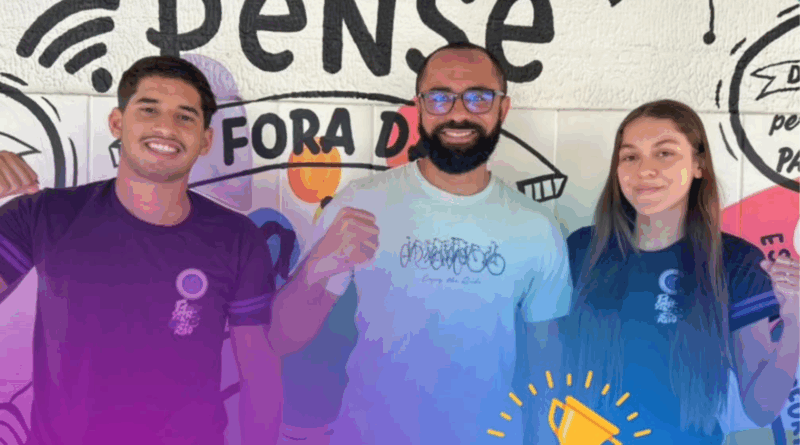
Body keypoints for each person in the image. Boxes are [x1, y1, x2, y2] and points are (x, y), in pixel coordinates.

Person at [0, 56, 376, 445]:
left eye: (185, 116)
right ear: (117, 122)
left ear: (205, 139)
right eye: (149, 110)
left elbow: (260, 374)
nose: (166, 127)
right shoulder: (45, 213)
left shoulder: (236, 238)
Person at [278, 41, 573, 445]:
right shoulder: (360, 203)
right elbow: (283, 337)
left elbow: (548, 371)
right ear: (418, 107)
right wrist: (319, 263)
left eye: (478, 97)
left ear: (503, 108)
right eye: (439, 97)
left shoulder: (537, 227)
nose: (458, 113)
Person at [548, 99, 799, 444]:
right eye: (630, 156)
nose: (645, 170)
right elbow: (547, 367)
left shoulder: (736, 261)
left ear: (698, 165)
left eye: (664, 153)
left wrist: (794, 321)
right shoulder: (580, 250)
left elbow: (761, 409)